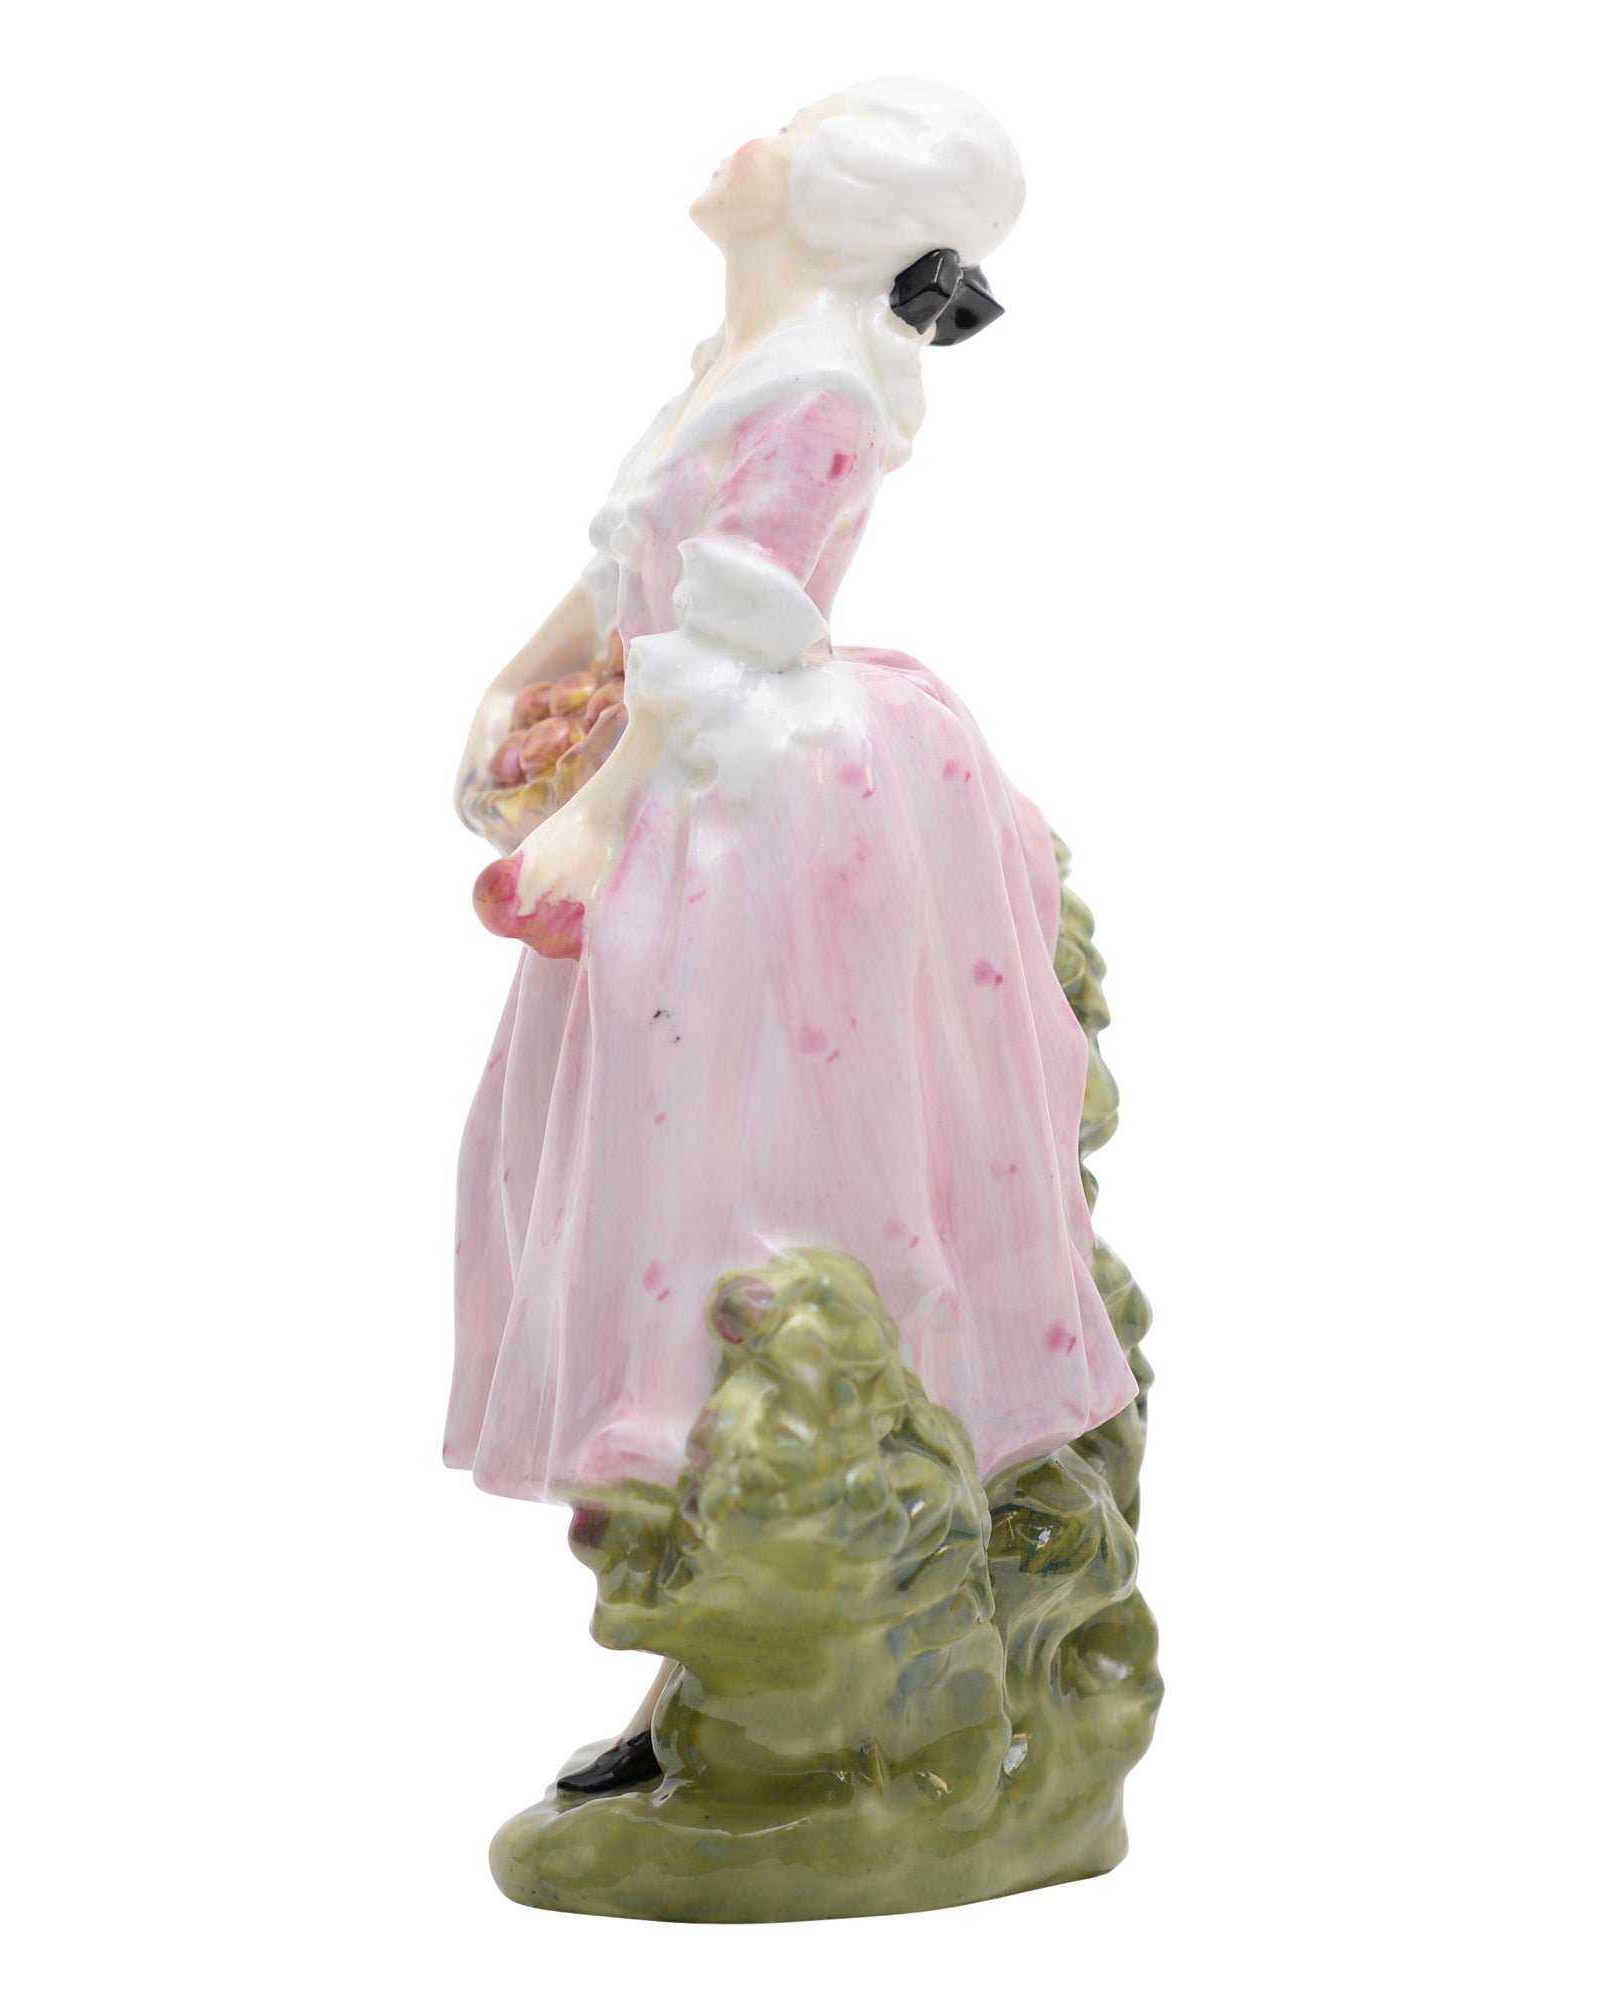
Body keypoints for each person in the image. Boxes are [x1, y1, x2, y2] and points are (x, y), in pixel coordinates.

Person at [446, 78, 1138, 1781]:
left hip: (747, 796)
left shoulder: (820, 388)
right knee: (647, 1161)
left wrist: (595, 811)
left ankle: (797, 1646)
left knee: (738, 1170)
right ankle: (712, 1656)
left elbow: (730, 633)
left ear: (834, 199)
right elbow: (626, 576)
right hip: (688, 766)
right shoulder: (739, 361)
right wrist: (519, 690)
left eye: (790, 130)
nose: (744, 140)